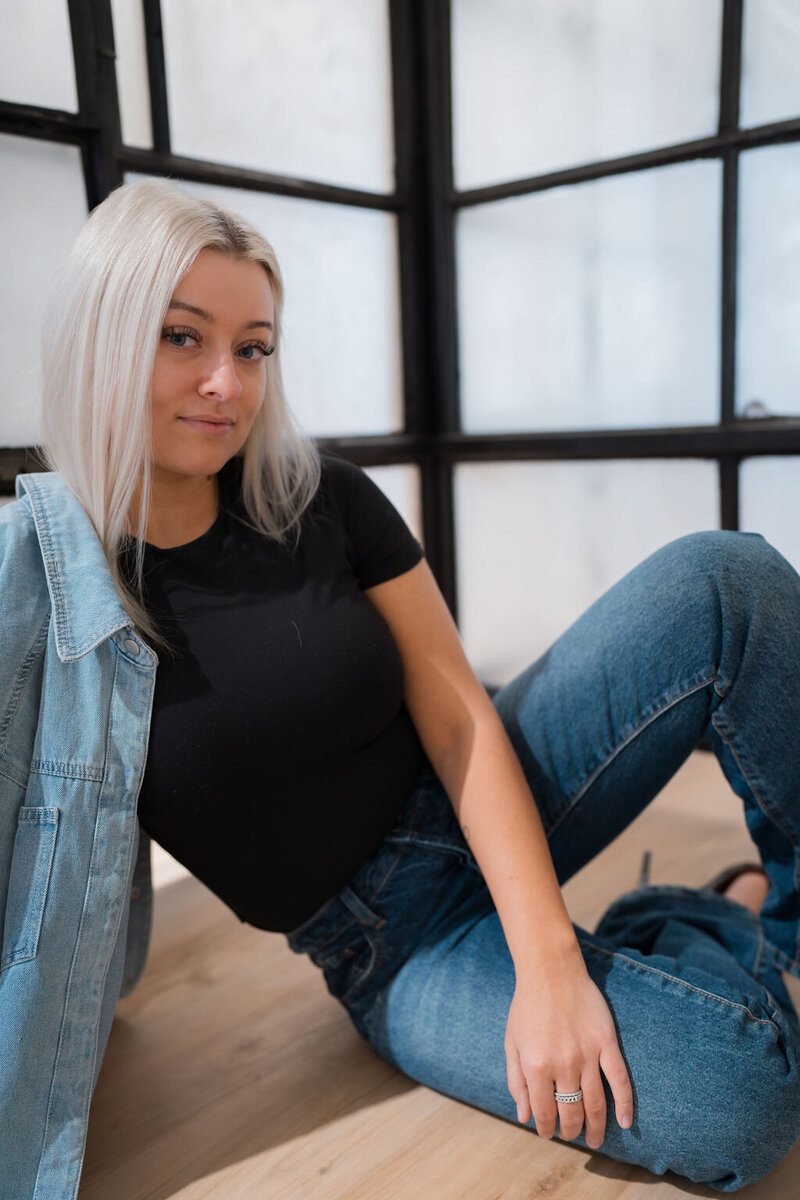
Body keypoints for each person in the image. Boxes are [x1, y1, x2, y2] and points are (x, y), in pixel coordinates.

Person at [1, 178, 799, 1199]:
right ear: (103, 337)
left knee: (724, 580)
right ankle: (712, 913)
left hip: (479, 788)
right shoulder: (51, 590)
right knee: (740, 1098)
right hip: (389, 945)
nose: (226, 385)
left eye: (252, 347)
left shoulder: (319, 497)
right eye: (182, 337)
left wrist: (552, 964)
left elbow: (458, 711)